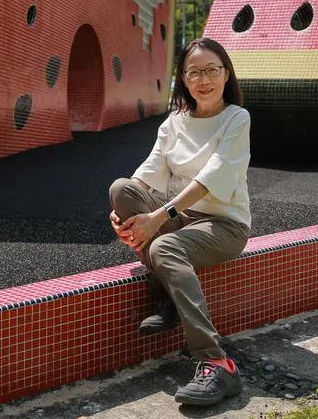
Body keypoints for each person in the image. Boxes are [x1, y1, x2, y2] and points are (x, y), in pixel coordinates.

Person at [108, 37, 250, 407]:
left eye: (211, 70)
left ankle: (216, 363)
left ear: (226, 74)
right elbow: (147, 174)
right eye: (194, 73)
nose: (203, 79)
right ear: (184, 80)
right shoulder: (175, 122)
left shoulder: (236, 118)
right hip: (181, 219)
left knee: (164, 243)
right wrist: (121, 214)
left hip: (224, 225)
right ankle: (171, 297)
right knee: (121, 189)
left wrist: (158, 217)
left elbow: (212, 178)